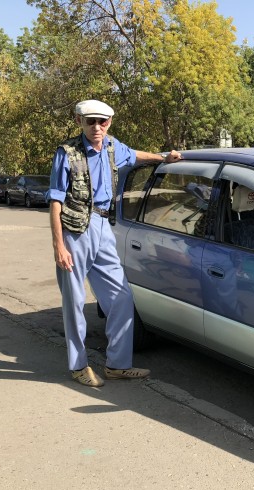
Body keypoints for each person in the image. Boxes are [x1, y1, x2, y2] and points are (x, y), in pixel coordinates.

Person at [48, 99, 182, 387]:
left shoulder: (112, 146)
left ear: (109, 123)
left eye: (102, 121)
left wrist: (163, 158)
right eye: (91, 121)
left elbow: (135, 156)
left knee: (121, 298)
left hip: (102, 227)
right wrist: (59, 245)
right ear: (79, 122)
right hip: (74, 231)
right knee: (74, 302)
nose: (97, 127)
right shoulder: (67, 153)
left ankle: (117, 365)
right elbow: (56, 200)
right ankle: (79, 366)